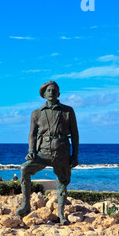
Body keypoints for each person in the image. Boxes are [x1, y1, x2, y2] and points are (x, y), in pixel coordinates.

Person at [16, 81, 79, 225]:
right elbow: (32, 134)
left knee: (62, 182)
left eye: (54, 90)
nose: (51, 92)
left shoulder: (68, 111)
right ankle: (25, 205)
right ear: (44, 94)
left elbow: (75, 134)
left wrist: (75, 154)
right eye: (48, 90)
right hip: (42, 151)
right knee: (25, 169)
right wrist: (31, 151)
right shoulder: (36, 113)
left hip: (62, 152)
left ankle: (61, 215)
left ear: (59, 94)